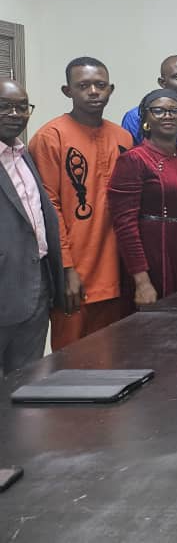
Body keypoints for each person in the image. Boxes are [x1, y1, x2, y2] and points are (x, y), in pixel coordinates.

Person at [28, 57, 133, 349]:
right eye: (83, 86)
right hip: (75, 278)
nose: (93, 92)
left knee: (115, 363)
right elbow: (49, 208)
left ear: (111, 89)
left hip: (117, 274)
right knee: (72, 368)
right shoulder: (50, 138)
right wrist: (66, 269)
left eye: (100, 85)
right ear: (67, 90)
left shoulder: (123, 137)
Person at [109, 89, 177, 303]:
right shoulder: (134, 160)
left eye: (175, 111)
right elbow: (124, 225)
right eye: (159, 111)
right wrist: (142, 282)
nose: (168, 116)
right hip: (154, 258)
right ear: (145, 118)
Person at [0, 79, 65, 374]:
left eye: (22, 107)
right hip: (5, 284)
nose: (15, 113)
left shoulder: (23, 154)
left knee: (26, 383)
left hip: (36, 285)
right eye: (4, 106)